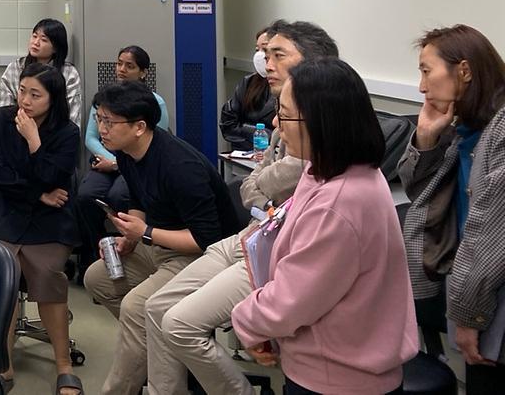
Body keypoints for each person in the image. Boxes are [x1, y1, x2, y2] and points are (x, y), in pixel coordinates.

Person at [144, 19, 338, 395]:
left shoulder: (322, 130)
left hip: (275, 250)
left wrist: (265, 187)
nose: (266, 64)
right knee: (156, 307)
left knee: (180, 324)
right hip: (252, 234)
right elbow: (251, 186)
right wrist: (265, 190)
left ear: (312, 63)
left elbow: (277, 177)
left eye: (277, 55)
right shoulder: (281, 120)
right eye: (265, 54)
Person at [231, 58, 417, 395]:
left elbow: (291, 300)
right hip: (339, 364)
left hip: (338, 378)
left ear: (320, 123)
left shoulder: (339, 203)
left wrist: (246, 322)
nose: (276, 122)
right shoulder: (336, 170)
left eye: (285, 114)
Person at [85, 82, 242, 395]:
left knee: (135, 308)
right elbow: (139, 199)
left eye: (109, 122)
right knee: (97, 279)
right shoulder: (128, 153)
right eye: (99, 119)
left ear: (139, 127)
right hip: (159, 243)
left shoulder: (180, 167)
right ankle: (161, 349)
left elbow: (205, 240)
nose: (101, 129)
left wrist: (144, 232)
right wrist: (130, 237)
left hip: (199, 256)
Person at [400, 25, 505, 393]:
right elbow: (419, 190)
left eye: (426, 71)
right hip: (478, 290)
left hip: (492, 296)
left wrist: (468, 315)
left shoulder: (501, 130)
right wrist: (426, 137)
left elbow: (488, 236)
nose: (421, 86)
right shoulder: (465, 127)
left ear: (464, 70)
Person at [0, 63, 84, 395]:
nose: (25, 100)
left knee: (48, 273)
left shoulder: (67, 132)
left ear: (53, 99)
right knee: (2, 273)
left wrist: (34, 140)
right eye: (22, 91)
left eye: (35, 95)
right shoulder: (3, 119)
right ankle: (2, 365)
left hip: (50, 219)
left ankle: (64, 364)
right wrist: (37, 193)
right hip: (8, 209)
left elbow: (54, 176)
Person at [75, 46, 169, 274]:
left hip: (134, 165)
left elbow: (155, 143)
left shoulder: (154, 102)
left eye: (130, 66)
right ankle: (95, 256)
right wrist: (110, 161)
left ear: (143, 72)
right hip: (106, 163)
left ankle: (127, 256)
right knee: (86, 196)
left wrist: (116, 164)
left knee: (120, 196)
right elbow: (91, 138)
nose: (122, 69)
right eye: (119, 64)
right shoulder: (104, 100)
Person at [0, 18, 84, 125]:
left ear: (56, 48)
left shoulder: (69, 74)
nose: (36, 42)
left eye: (44, 40)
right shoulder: (15, 68)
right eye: (34, 36)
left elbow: (73, 119)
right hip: (18, 129)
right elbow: (4, 114)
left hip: (56, 132)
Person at [219, 27, 275, 151]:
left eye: (265, 49)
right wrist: (258, 135)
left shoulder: (292, 86)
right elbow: (228, 123)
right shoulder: (248, 82)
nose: (259, 55)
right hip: (244, 153)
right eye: (257, 50)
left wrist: (245, 129)